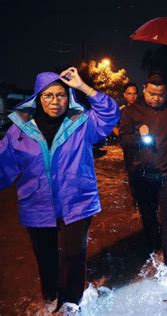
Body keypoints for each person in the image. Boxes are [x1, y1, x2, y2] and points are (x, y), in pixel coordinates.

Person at [0, 67, 119, 312]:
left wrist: (83, 86)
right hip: (37, 204)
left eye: (61, 95)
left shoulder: (82, 124)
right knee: (46, 258)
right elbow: (3, 164)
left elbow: (110, 114)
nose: (55, 101)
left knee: (74, 256)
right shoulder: (19, 131)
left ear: (69, 98)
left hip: (77, 203)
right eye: (48, 96)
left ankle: (70, 303)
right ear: (37, 98)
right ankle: (51, 297)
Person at [119, 75, 167, 279]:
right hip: (142, 173)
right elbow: (123, 140)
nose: (156, 98)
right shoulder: (132, 111)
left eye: (160, 95)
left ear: (166, 93)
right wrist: (138, 137)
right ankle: (152, 250)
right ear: (144, 89)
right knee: (148, 216)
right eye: (152, 94)